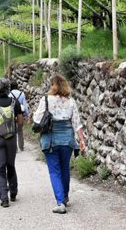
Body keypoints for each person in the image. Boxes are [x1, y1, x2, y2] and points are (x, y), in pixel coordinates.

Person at [33, 74, 86, 214]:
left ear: (54, 86)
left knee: (54, 171)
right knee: (65, 168)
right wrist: (81, 140)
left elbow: (37, 119)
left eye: (52, 84)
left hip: (50, 139)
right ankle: (65, 196)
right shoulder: (71, 101)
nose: (50, 87)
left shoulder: (46, 100)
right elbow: (76, 122)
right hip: (67, 138)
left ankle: (60, 202)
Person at [0, 78, 23, 207]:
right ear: (7, 89)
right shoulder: (15, 102)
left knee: (1, 168)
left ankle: (4, 198)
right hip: (11, 139)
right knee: (11, 165)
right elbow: (19, 121)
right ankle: (13, 192)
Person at [9, 80, 30, 151]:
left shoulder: (9, 94)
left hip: (12, 114)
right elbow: (25, 105)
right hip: (20, 113)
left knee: (13, 131)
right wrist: (27, 115)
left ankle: (15, 147)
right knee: (20, 130)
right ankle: (21, 146)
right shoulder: (22, 94)